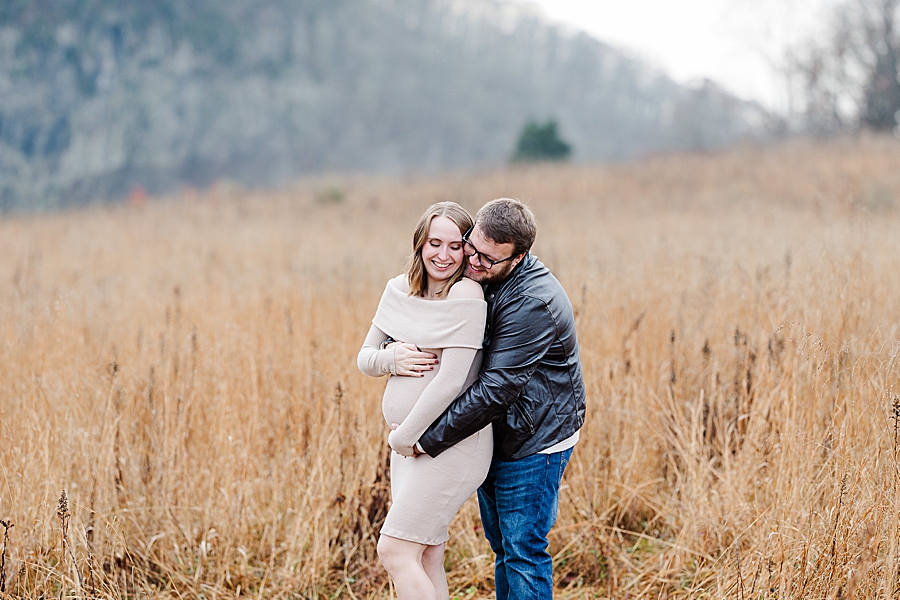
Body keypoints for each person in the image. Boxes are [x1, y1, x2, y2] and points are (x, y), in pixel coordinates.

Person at [405, 198, 586, 599]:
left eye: (489, 259)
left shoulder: (532, 302)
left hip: (535, 439)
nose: (474, 261)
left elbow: (494, 390)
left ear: (519, 257)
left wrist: (426, 438)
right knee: (503, 545)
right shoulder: (481, 277)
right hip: (496, 432)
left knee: (523, 549)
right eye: (474, 247)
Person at [357, 201, 492, 600]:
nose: (444, 255)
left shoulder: (467, 294)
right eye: (435, 243)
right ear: (421, 243)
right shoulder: (398, 289)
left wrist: (405, 438)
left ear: (466, 250)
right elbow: (365, 358)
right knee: (427, 553)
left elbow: (451, 380)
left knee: (395, 550)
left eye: (455, 246)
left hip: (449, 445)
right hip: (406, 446)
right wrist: (391, 358)